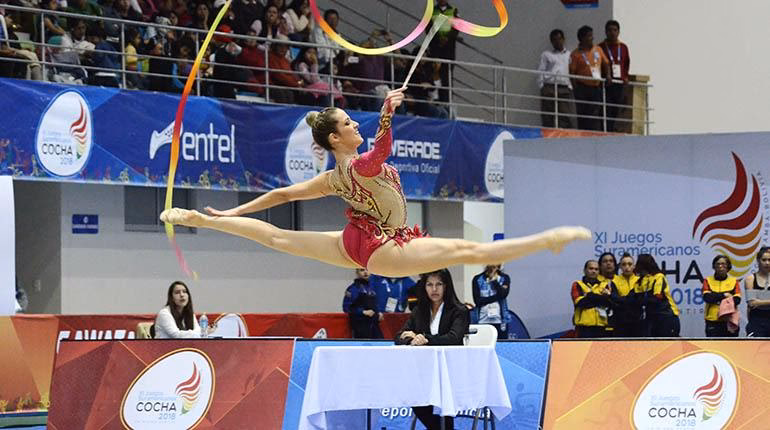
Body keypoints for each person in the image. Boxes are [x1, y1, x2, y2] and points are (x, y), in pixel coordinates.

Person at [161, 89, 590, 276]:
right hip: (385, 245)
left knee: (277, 239)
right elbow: (382, 149)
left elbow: (281, 194)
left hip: (355, 241)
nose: (354, 126)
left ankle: (199, 217)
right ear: (336, 139)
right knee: (464, 250)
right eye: (349, 123)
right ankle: (546, 240)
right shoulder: (361, 165)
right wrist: (386, 111)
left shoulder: (332, 177)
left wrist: (231, 210)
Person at [395, 269, 468, 430]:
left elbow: (453, 339)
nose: (434, 289)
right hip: (425, 372)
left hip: (450, 372)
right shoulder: (419, 311)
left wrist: (424, 338)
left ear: (446, 286)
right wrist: (411, 339)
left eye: (439, 284)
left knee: (440, 400)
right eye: (429, 284)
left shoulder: (459, 311)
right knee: (411, 393)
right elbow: (399, 336)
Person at [569, 25, 610, 131]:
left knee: (596, 112)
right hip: (582, 87)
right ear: (582, 38)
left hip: (596, 87)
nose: (592, 38)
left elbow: (606, 63)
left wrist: (608, 75)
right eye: (589, 36)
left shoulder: (598, 49)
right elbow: (572, 72)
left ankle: (595, 133)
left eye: (592, 36)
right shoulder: (575, 54)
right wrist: (576, 89)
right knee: (583, 113)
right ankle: (583, 134)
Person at [537, 29, 575, 129]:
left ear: (563, 39)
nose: (557, 42)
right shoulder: (546, 54)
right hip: (549, 87)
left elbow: (571, 70)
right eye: (554, 40)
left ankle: (564, 136)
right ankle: (548, 135)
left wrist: (570, 86)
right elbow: (541, 70)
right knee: (548, 115)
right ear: (551, 42)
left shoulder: (569, 55)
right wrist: (542, 86)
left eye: (559, 39)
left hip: (563, 87)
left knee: (564, 114)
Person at [598, 20, 631, 132]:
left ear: (619, 32)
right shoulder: (600, 47)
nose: (612, 32)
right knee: (606, 109)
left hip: (619, 84)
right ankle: (606, 130)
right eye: (610, 30)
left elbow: (626, 64)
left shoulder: (623, 47)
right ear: (606, 32)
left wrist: (625, 77)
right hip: (606, 83)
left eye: (615, 30)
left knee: (617, 108)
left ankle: (613, 130)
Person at [636, 254, 680, 337]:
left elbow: (658, 298)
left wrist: (639, 301)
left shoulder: (659, 277)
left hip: (666, 316)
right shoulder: (641, 281)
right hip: (651, 318)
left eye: (639, 265)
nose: (637, 268)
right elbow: (634, 296)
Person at [571, 260, 612, 338]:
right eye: (591, 268)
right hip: (584, 328)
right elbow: (580, 303)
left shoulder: (604, 285)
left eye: (596, 269)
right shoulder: (577, 284)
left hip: (601, 328)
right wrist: (599, 298)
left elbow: (608, 303)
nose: (593, 271)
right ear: (585, 270)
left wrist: (589, 296)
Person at [702, 255, 741, 337]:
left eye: (723, 264)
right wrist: (725, 295)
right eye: (718, 264)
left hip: (729, 320)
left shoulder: (734, 281)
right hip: (712, 320)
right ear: (714, 266)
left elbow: (737, 300)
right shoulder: (707, 280)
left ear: (728, 266)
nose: (720, 266)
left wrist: (715, 296)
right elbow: (707, 298)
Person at [428, 0, 458, 104]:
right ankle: (436, 100)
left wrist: (447, 38)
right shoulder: (432, 11)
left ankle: (447, 102)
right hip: (435, 50)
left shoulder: (453, 11)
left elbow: (457, 28)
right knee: (435, 76)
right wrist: (438, 39)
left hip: (448, 52)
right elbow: (428, 28)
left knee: (447, 78)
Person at [472, 264, 511, 339]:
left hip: (500, 320)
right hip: (482, 320)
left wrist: (493, 280)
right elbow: (478, 301)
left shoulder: (504, 278)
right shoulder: (477, 279)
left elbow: (503, 294)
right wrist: (497, 297)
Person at [342, 268, 383, 338]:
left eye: (367, 270)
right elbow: (346, 308)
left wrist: (379, 312)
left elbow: (374, 303)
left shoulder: (372, 287)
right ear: (357, 272)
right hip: (360, 325)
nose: (365, 272)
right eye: (362, 270)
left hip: (374, 324)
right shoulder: (353, 288)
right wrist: (363, 312)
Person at [611, 253, 643, 337]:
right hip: (620, 321)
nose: (627, 267)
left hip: (637, 320)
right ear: (620, 267)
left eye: (630, 264)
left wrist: (622, 300)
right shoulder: (615, 280)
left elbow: (639, 300)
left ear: (634, 266)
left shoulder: (639, 280)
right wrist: (629, 300)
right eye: (624, 264)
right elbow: (614, 300)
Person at [745, 247, 770, 337]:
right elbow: (751, 303)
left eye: (769, 260)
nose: (767, 263)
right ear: (758, 261)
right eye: (764, 260)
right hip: (756, 321)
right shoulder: (750, 279)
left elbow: (756, 302)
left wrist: (759, 301)